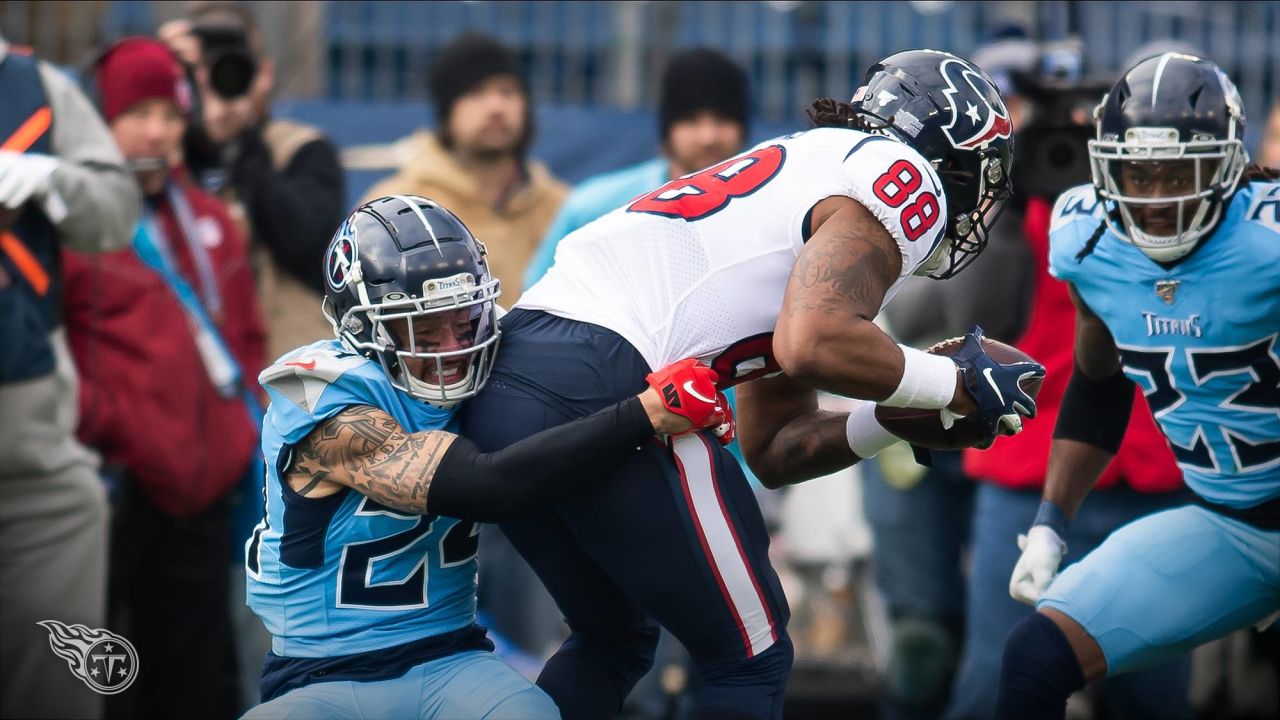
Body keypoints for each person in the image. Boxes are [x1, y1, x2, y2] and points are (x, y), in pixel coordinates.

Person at [462, 49, 1043, 719]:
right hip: (610, 376)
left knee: (613, 638)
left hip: (515, 378)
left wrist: (889, 420)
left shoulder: (807, 176)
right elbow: (815, 339)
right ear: (942, 156)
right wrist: (954, 382)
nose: (975, 199)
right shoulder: (897, 172)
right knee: (752, 658)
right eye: (976, 174)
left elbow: (774, 449)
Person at [241, 194, 730, 719]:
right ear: (363, 331)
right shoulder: (324, 394)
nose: (455, 349)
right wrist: (647, 412)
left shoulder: (495, 355)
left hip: (451, 660)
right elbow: (485, 486)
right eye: (424, 333)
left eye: (464, 321)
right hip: (320, 673)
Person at [995, 53, 1280, 720]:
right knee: (1034, 658)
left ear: (1226, 168)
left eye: (1178, 172)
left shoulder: (1268, 238)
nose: (1156, 197)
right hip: (1229, 528)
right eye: (1137, 173)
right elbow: (1099, 384)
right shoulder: (1088, 237)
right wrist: (1049, 525)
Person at [60, 36, 265, 719]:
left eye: (171, 116)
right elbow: (51, 347)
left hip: (205, 494)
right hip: (113, 485)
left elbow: (246, 338)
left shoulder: (209, 219)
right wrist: (110, 426)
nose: (158, 132)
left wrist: (242, 434)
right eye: (138, 114)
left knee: (195, 684)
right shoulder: (66, 223)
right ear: (102, 122)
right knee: (106, 682)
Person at [0, 33, 140, 719]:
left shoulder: (33, 85)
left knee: (57, 689)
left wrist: (49, 180)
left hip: (30, 458)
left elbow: (116, 214)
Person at [159, 0, 346, 362]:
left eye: (232, 67)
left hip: (286, 378)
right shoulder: (160, 155)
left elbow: (309, 252)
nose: (215, 80)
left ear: (264, 74)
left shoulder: (301, 149)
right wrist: (160, 92)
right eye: (199, 69)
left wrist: (242, 140)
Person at [362, 32, 567, 306]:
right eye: (475, 93)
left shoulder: (561, 205)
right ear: (447, 111)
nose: (496, 106)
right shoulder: (393, 208)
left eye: (508, 91)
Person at [523, 47, 751, 289]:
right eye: (691, 121)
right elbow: (536, 292)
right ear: (667, 128)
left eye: (723, 120)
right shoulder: (593, 208)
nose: (708, 137)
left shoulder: (774, 208)